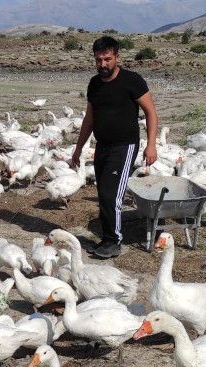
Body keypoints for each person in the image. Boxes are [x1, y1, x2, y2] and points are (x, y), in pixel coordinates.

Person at [71, 36, 158, 259]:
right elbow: (89, 119)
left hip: (125, 145)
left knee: (112, 195)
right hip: (102, 146)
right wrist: (79, 148)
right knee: (103, 194)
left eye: (107, 59)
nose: (103, 64)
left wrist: (151, 145)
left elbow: (150, 112)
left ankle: (114, 241)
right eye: (98, 60)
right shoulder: (94, 84)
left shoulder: (132, 81)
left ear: (117, 57)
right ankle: (107, 238)